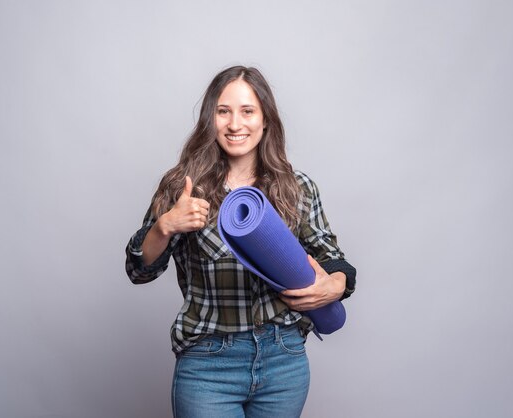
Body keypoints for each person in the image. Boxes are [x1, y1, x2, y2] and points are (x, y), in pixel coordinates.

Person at [125, 65, 356, 418]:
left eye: (248, 111)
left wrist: (335, 285)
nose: (235, 124)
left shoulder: (297, 188)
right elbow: (138, 270)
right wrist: (166, 225)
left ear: (265, 121)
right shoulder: (181, 187)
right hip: (209, 362)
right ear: (210, 119)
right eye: (223, 111)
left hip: (284, 359)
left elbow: (332, 257)